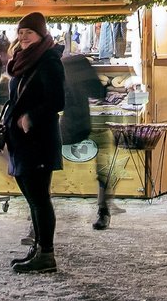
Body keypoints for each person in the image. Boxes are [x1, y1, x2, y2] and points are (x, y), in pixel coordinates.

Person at [0, 11, 65, 274]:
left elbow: (57, 101)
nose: (24, 37)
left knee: (40, 198)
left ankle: (47, 254)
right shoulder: (22, 60)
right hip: (21, 141)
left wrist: (31, 116)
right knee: (32, 198)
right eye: (21, 32)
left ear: (41, 34)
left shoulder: (49, 60)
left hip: (39, 140)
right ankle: (38, 248)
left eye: (29, 32)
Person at [60, 50, 116, 231]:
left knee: (43, 166)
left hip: (66, 126)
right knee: (104, 166)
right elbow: (99, 92)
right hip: (84, 123)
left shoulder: (61, 67)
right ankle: (103, 210)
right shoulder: (79, 64)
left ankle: (36, 216)